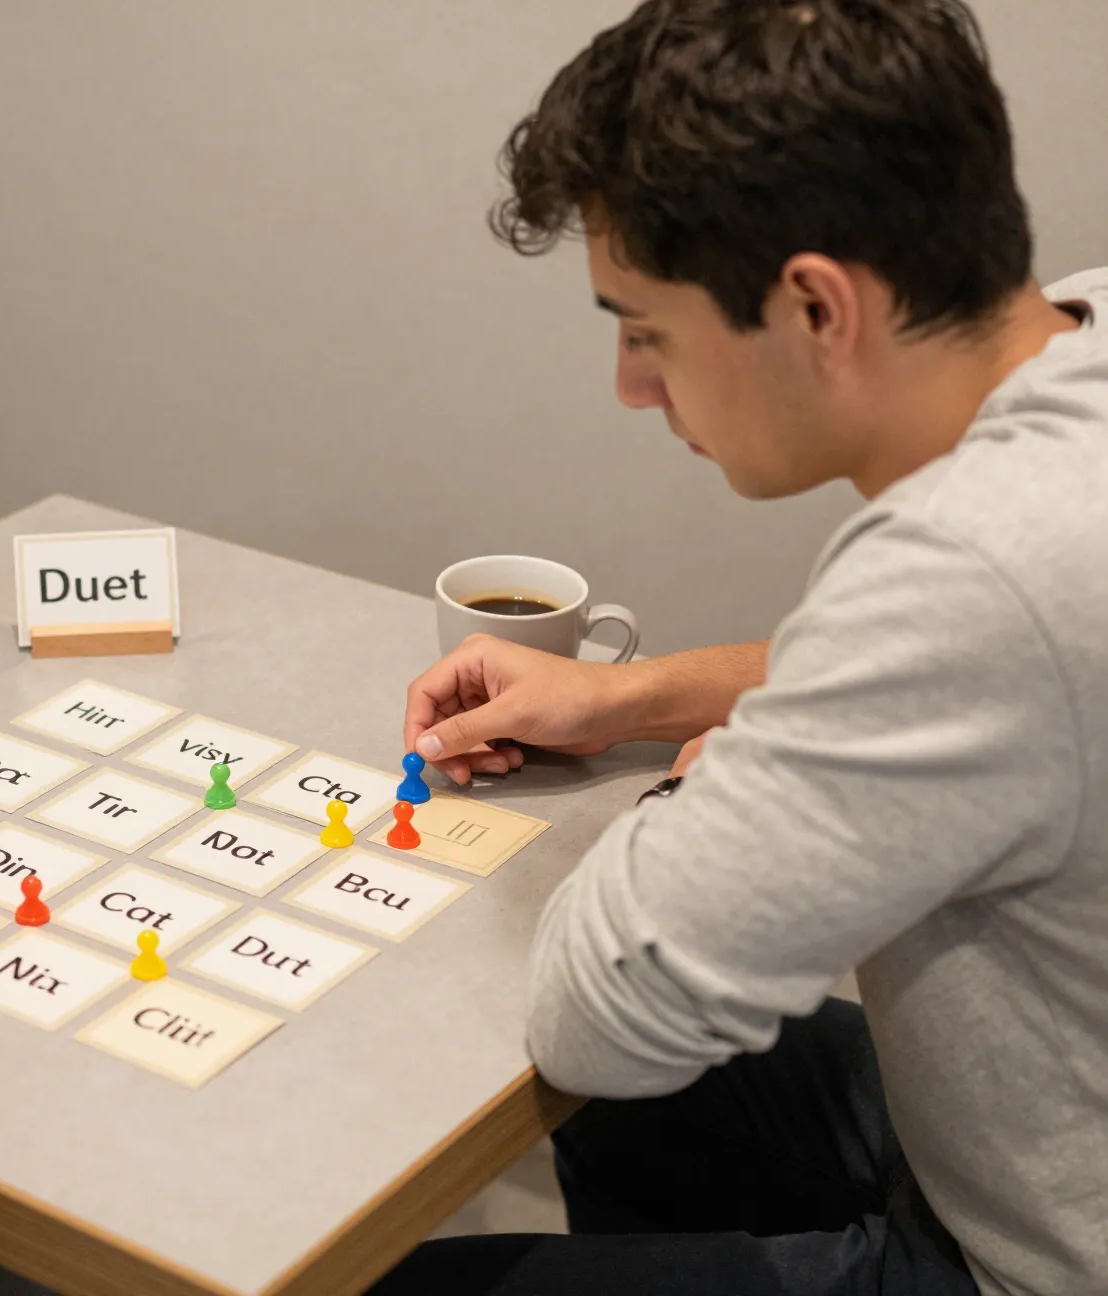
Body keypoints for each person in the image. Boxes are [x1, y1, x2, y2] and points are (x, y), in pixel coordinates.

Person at [382, 1, 1108, 1294]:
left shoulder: (969, 567)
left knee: (411, 1274)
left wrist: (691, 784)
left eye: (646, 328)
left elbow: (599, 1012)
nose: (631, 386)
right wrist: (634, 696)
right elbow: (1009, 674)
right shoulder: (1081, 350)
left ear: (816, 306)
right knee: (657, 1120)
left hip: (1032, 1260)